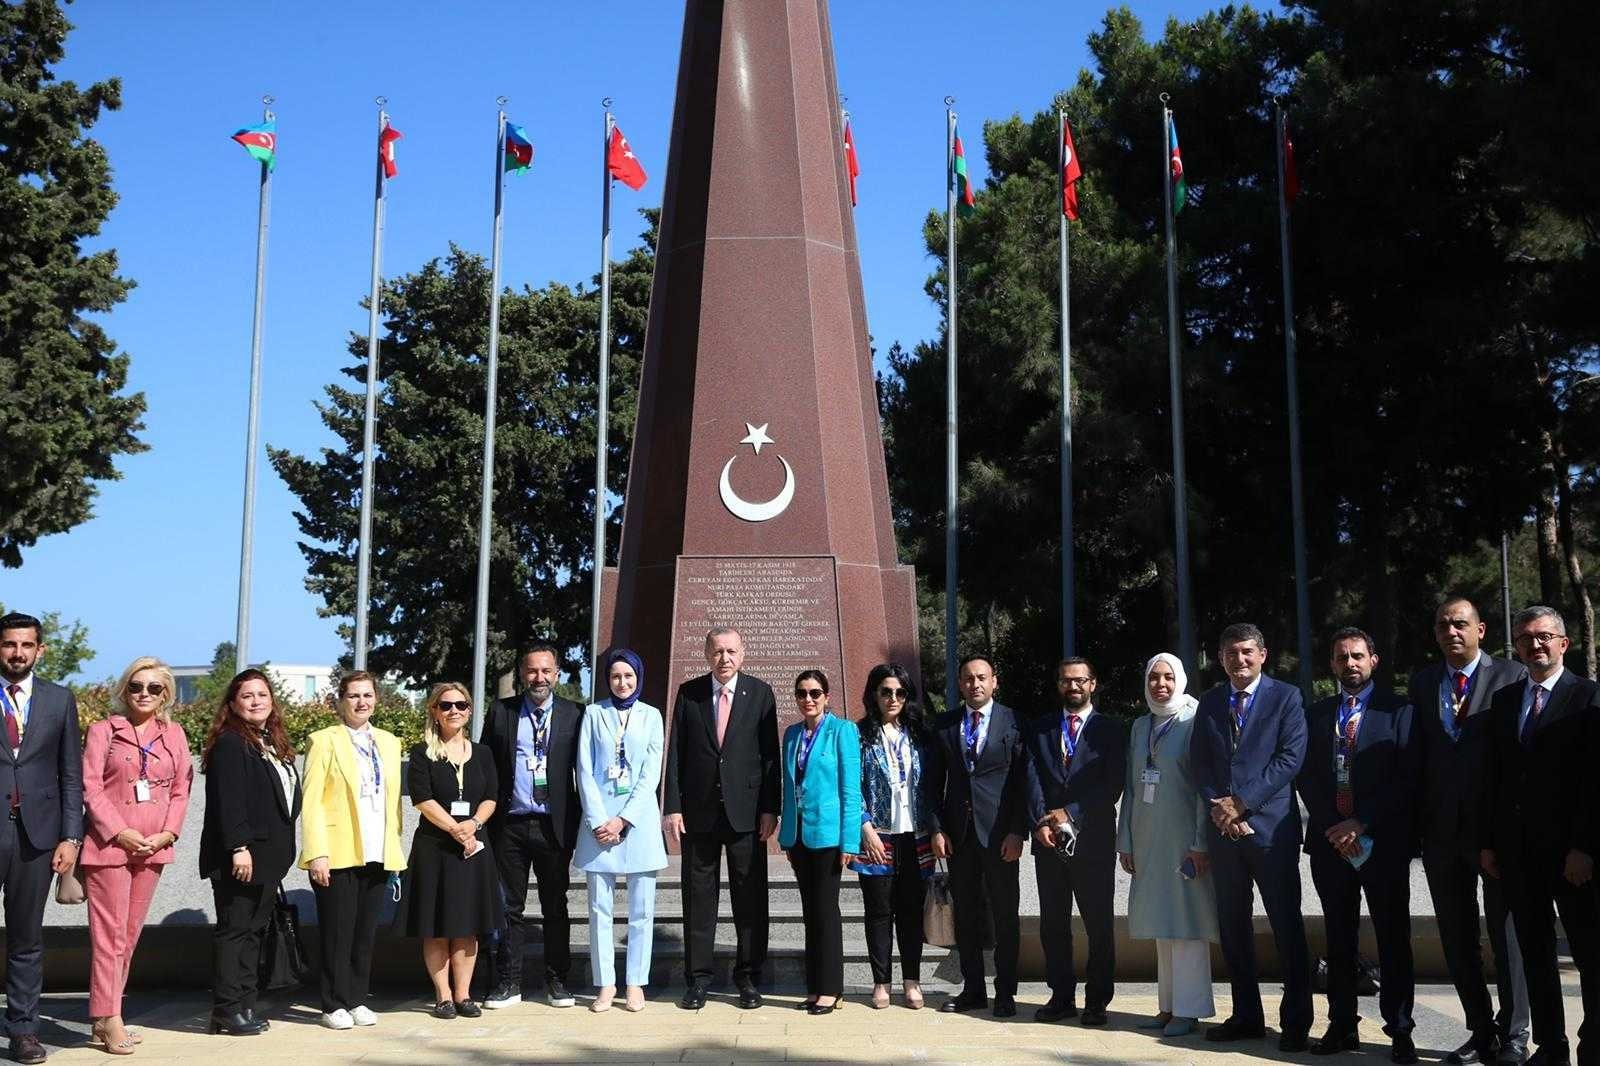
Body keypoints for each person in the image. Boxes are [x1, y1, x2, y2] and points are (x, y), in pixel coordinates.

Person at [1412, 596, 1531, 1065]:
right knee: (1457, 940)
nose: (1450, 631)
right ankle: (1481, 1033)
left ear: (1481, 630)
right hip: (1442, 836)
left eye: (1460, 623)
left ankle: (1515, 1035)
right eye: (1442, 625)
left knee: (1508, 939)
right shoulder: (1423, 683)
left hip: (1496, 836)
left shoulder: (1511, 676)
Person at [1480, 606, 1600, 1066]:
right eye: (1527, 638)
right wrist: (1490, 842)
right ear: (1517, 647)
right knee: (1535, 957)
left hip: (1573, 856)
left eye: (1545, 636)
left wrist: (1584, 847)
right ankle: (1551, 1048)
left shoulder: (1588, 697)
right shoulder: (1507, 700)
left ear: (1564, 643)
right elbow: (1497, 777)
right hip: (1517, 854)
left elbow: (1595, 783)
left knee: (1590, 957)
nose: (1536, 645)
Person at [1296, 628, 1419, 1063]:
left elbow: (1406, 777)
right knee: (1338, 936)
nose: (1350, 663)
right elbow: (1306, 774)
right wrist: (1335, 826)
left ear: (1374, 661)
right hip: (1331, 843)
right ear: (1332, 664)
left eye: (1358, 656)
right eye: (1342, 657)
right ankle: (1342, 1024)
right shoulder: (1316, 714)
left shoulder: (1399, 710)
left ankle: (1400, 1029)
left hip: (1381, 842)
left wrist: (1361, 822)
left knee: (1392, 936)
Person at [1189, 622, 1314, 1051]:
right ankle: (1246, 1015)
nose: (1238, 660)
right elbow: (1200, 763)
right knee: (1232, 926)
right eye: (1229, 653)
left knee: (1286, 925)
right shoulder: (1209, 702)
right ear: (1219, 658)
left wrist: (1242, 803)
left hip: (1271, 831)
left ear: (1262, 654)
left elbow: (1290, 758)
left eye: (1246, 652)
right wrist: (1221, 808)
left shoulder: (1287, 697)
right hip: (1224, 833)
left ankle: (1296, 1020)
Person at [662, 626, 780, 1011]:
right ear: (706, 654)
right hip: (699, 814)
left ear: (742, 654)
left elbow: (769, 758)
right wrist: (673, 807)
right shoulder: (690, 693)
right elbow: (676, 753)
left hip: (746, 814)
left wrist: (769, 808)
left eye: (731, 651)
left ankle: (748, 978)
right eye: (717, 651)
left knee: (750, 899)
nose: (724, 658)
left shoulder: (760, 693)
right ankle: (698, 980)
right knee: (699, 900)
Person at [79, 657, 192, 1056]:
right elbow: (90, 788)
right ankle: (110, 1019)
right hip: (109, 847)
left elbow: (181, 789)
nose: (144, 694)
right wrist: (121, 832)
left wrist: (166, 833)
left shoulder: (175, 735)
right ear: (125, 690)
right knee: (108, 939)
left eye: (154, 688)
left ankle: (105, 1015)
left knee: (127, 938)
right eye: (136, 687)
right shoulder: (102, 731)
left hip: (153, 848)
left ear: (166, 694)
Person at [1116, 652, 1218, 1037]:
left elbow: (1201, 789)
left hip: (1184, 840)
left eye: (1168, 677)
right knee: (1163, 924)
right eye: (1154, 678)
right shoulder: (1141, 726)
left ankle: (1190, 1010)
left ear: (1181, 680)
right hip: (1148, 840)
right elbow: (1131, 784)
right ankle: (1168, 1005)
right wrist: (1126, 841)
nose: (1161, 685)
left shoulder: (1194, 720)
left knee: (1187, 924)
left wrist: (1199, 843)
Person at [298, 671, 406, 1030]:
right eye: (354, 695)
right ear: (340, 701)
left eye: (367, 695)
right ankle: (333, 1003)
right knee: (337, 932)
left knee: (364, 933)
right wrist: (317, 852)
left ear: (377, 699)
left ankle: (358, 998)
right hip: (338, 850)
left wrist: (395, 848)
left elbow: (392, 801)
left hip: (377, 849)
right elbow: (311, 801)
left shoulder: (389, 742)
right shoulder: (323, 740)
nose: (361, 702)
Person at [198, 668, 301, 1038]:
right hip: (241, 858)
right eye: (247, 696)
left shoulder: (269, 742)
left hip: (269, 859)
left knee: (253, 932)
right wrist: (238, 848)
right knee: (235, 932)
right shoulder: (230, 742)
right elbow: (230, 803)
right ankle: (226, 1009)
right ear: (233, 703)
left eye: (262, 694)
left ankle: (243, 1005)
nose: (256, 701)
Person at [0, 612, 84, 1065]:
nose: (17, 653)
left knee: (26, 938)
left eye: (26, 645)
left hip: (37, 837)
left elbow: (71, 774)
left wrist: (71, 836)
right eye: (9, 645)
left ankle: (24, 1031)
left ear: (40, 650)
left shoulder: (58, 700)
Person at [480, 645, 584, 1010]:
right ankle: (509, 982)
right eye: (532, 671)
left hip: (554, 826)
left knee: (556, 905)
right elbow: (484, 766)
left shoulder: (575, 715)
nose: (539, 678)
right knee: (510, 906)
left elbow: (585, 771)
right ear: (522, 673)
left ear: (557, 673)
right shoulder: (501, 712)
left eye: (546, 671)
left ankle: (558, 980)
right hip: (509, 825)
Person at [1024, 657, 1126, 1026]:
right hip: (1048, 840)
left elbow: (1112, 783)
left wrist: (1071, 813)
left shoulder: (1111, 730)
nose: (1074, 687)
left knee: (1098, 924)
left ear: (1093, 684)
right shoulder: (1039, 728)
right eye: (1067, 681)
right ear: (1059, 686)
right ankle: (1061, 996)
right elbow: (1031, 777)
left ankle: (1097, 1000)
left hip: (1093, 840)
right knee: (1053, 923)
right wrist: (1040, 821)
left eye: (1081, 680)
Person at [928, 654, 1029, 1018]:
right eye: (968, 678)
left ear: (994, 681)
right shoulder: (944, 725)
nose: (976, 684)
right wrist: (937, 829)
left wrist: (1018, 830)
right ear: (960, 683)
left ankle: (1006, 992)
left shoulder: (1014, 722)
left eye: (982, 677)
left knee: (1005, 916)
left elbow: (1023, 782)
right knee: (966, 916)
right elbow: (931, 784)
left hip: (1002, 835)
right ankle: (973, 989)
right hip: (958, 837)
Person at [400, 683, 502, 1019]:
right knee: (436, 925)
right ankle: (443, 996)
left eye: (461, 705)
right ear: (434, 710)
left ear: (470, 711)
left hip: (472, 848)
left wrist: (472, 824)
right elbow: (423, 799)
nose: (454, 711)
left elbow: (491, 796)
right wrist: (455, 829)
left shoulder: (483, 753)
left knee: (467, 925)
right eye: (446, 706)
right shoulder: (421, 753)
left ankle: (464, 994)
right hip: (436, 849)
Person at [575, 649, 668, 1013]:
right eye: (615, 676)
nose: (622, 682)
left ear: (639, 678)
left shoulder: (651, 716)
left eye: (628, 676)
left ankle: (635, 983)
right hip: (598, 825)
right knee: (600, 909)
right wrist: (601, 820)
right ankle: (606, 984)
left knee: (642, 910)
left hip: (637, 822)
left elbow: (650, 774)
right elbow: (584, 768)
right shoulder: (594, 714)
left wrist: (624, 820)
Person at [852, 663, 937, 1010]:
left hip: (914, 835)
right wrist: (864, 824)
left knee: (911, 912)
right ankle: (881, 982)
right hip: (877, 834)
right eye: (886, 691)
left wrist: (935, 827)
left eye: (900, 692)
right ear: (874, 694)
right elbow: (851, 784)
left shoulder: (920, 734)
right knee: (879, 911)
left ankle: (912, 981)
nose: (893, 698)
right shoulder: (858, 734)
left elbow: (933, 783)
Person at [778, 670, 861, 1014]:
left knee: (826, 912)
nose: (808, 699)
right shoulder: (792, 734)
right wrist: (786, 832)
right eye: (801, 693)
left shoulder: (843, 731)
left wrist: (850, 841)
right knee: (810, 912)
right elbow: (788, 784)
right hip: (799, 836)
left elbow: (850, 790)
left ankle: (831, 989)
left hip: (829, 836)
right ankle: (815, 988)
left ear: (827, 696)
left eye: (814, 693)